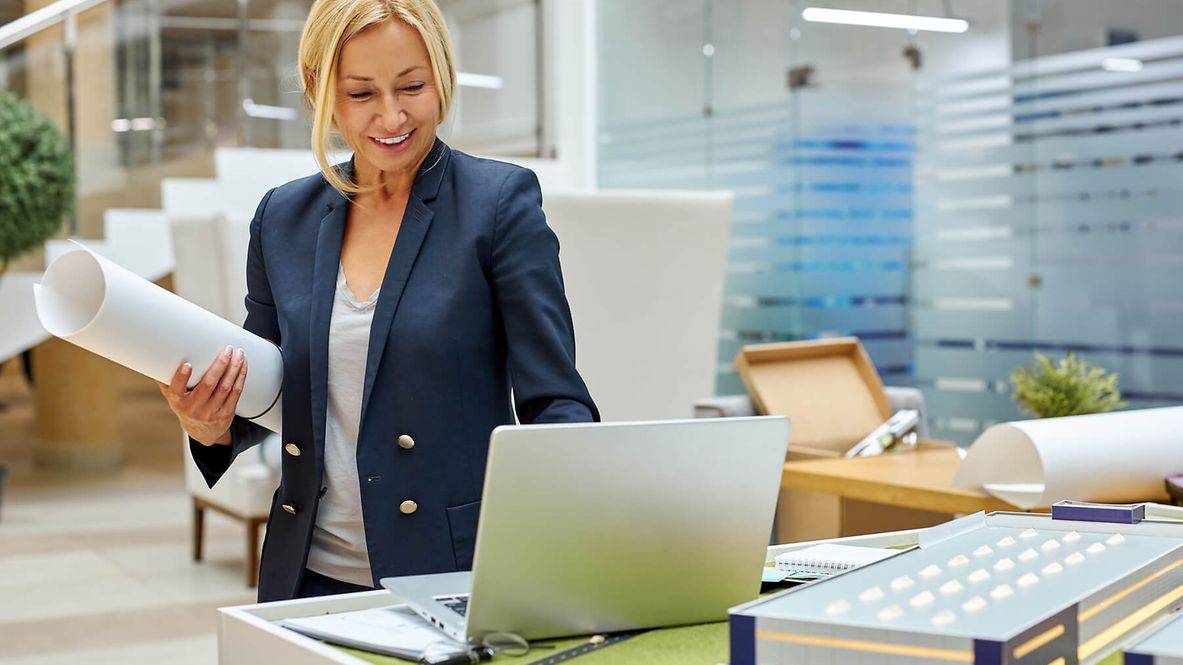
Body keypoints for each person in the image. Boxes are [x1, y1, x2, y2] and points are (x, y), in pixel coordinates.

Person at [158, 0, 597, 602]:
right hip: (305, 582)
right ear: (321, 91)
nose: (392, 115)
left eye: (411, 86)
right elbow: (261, 390)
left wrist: (565, 541)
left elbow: (558, 403)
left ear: (441, 75)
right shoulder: (283, 218)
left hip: (454, 577)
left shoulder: (497, 204)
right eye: (361, 93)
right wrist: (207, 424)